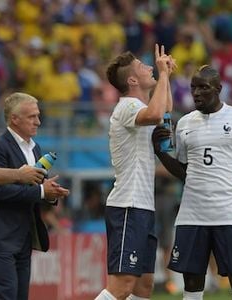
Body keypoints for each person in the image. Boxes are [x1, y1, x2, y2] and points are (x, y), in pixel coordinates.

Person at [152, 65, 232, 300]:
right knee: (193, 282)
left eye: (203, 88)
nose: (196, 93)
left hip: (229, 215)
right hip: (192, 216)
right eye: (193, 88)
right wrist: (161, 153)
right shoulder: (185, 124)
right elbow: (186, 172)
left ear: (218, 89)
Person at [94, 44, 176, 300]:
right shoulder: (127, 106)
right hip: (127, 204)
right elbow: (155, 114)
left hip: (142, 206)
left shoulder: (138, 107)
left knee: (144, 286)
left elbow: (165, 109)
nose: (151, 67)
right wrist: (161, 75)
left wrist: (166, 76)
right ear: (132, 80)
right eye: (143, 66)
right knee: (122, 285)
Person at [0, 92, 69, 300]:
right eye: (32, 117)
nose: (38, 121)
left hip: (22, 237)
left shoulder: (36, 149)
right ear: (14, 119)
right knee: (6, 296)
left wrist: (50, 194)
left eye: (38, 115)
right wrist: (42, 191)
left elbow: (33, 191)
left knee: (19, 296)